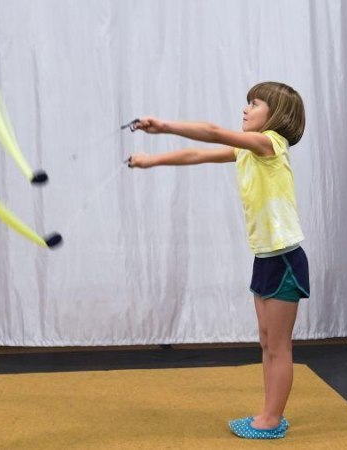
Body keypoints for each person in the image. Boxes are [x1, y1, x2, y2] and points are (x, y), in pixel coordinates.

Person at [128, 81, 309, 440]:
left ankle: (271, 420)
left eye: (254, 103)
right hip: (265, 258)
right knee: (266, 342)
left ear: (275, 115)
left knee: (278, 345)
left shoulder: (271, 144)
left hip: (285, 258)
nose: (245, 109)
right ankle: (270, 411)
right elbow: (197, 154)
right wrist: (151, 161)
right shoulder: (247, 151)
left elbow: (211, 133)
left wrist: (163, 125)